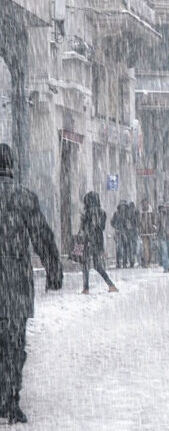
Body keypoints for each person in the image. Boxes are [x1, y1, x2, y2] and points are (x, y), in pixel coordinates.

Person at [0, 143, 62, 424]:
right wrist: (54, 270)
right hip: (15, 286)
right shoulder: (23, 197)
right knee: (13, 345)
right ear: (11, 165)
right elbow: (43, 237)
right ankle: (10, 400)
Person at [79, 192, 118, 294]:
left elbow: (83, 228)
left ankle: (86, 288)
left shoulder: (86, 213)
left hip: (87, 241)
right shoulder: (102, 213)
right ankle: (111, 285)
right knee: (97, 265)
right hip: (98, 241)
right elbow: (102, 227)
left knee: (85, 264)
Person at [139, 198, 156, 267]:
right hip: (143, 233)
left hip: (151, 232)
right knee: (145, 247)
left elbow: (155, 220)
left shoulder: (152, 212)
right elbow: (137, 222)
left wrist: (154, 227)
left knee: (150, 247)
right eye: (143, 203)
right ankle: (146, 261)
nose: (144, 205)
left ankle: (148, 260)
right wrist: (139, 228)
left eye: (145, 203)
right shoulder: (140, 213)